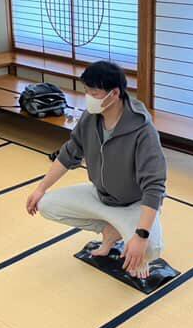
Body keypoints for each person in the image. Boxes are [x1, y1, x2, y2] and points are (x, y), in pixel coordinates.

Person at [25, 61, 167, 279]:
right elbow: (69, 153)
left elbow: (154, 186)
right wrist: (40, 189)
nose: (88, 97)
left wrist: (140, 235)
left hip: (134, 204)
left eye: (94, 93)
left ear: (115, 93)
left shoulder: (143, 130)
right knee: (46, 205)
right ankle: (110, 231)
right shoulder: (90, 117)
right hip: (100, 195)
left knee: (149, 249)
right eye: (87, 91)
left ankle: (125, 231)